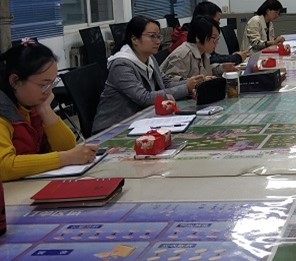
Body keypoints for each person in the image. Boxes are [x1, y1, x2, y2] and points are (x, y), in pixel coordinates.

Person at [0, 39, 97, 181]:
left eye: (52, 83)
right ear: (15, 81)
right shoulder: (4, 113)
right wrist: (65, 158)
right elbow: (4, 166)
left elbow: (68, 147)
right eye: (43, 85)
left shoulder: (30, 104)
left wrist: (45, 109)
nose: (49, 91)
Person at [93, 16, 206, 133]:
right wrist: (186, 87)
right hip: (113, 128)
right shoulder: (121, 65)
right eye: (152, 36)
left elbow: (165, 83)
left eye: (158, 36)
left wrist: (194, 82)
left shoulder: (149, 58)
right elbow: (144, 98)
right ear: (134, 39)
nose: (158, 41)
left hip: (141, 121)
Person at [161, 16, 236, 85]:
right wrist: (200, 81)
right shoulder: (182, 55)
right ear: (198, 38)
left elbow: (205, 71)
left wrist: (222, 68)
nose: (216, 42)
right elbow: (170, 83)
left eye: (217, 38)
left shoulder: (203, 51)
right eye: (213, 38)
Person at [170, 1, 249, 63]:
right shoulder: (187, 40)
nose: (218, 25)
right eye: (217, 22)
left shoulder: (197, 35)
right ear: (206, 20)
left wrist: (231, 59)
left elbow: (211, 56)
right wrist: (235, 58)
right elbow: (211, 60)